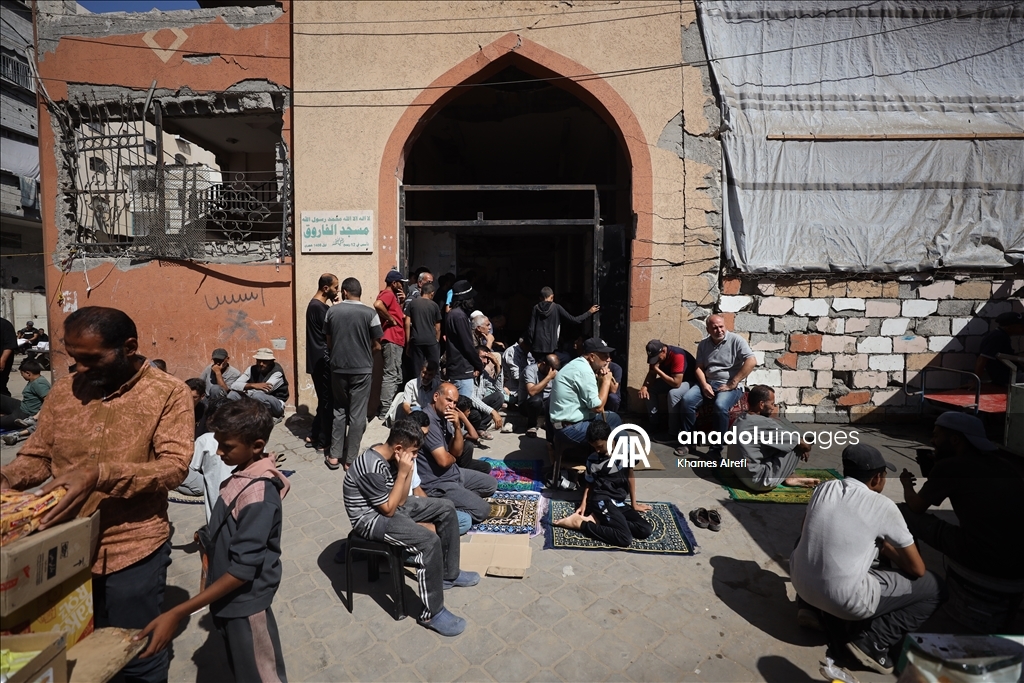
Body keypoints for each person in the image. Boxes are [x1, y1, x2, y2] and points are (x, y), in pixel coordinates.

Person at [0, 306, 193, 683]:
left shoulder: (169, 393)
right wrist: (8, 476)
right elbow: (37, 458)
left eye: (91, 358)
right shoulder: (63, 391)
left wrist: (100, 474)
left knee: (136, 652)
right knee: (73, 652)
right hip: (62, 548)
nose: (80, 369)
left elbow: (174, 468)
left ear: (130, 347)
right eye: (74, 358)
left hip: (133, 548)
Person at [136, 399, 290, 680]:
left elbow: (243, 570)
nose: (218, 452)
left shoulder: (259, 497)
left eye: (226, 446)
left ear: (256, 446)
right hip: (227, 599)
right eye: (218, 443)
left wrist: (179, 612)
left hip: (246, 604)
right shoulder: (241, 474)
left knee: (259, 673)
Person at [790, 445, 942, 675]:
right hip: (845, 600)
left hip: (800, 582)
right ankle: (874, 641)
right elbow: (917, 569)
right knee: (934, 587)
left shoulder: (824, 488)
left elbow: (806, 530)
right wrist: (887, 548)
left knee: (806, 541)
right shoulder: (883, 505)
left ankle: (809, 607)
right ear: (877, 478)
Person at [344, 420, 477, 636]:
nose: (415, 456)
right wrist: (403, 472)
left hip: (391, 505)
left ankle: (449, 575)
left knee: (446, 508)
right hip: (370, 520)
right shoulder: (371, 466)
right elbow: (387, 510)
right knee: (428, 541)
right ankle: (431, 613)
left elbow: (403, 500)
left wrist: (407, 469)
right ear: (399, 448)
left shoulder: (392, 455)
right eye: (414, 452)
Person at [899, 411, 1024, 580]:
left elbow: (916, 506)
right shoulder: (1004, 465)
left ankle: (913, 573)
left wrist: (907, 484)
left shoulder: (950, 467)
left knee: (901, 512)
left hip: (982, 555)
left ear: (955, 440)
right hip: (1016, 560)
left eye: (936, 436)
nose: (932, 441)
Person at [552, 420, 653, 547]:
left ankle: (600, 520)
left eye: (599, 446)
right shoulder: (593, 460)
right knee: (624, 538)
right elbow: (589, 483)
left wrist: (634, 504)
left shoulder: (626, 450)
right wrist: (584, 503)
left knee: (645, 529)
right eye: (594, 447)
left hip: (619, 501)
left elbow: (630, 475)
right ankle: (580, 523)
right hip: (602, 500)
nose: (597, 450)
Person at [416, 382, 498, 523]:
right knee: (483, 509)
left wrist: (457, 426)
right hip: (437, 483)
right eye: (449, 400)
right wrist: (453, 457)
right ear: (436, 396)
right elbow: (444, 461)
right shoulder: (427, 420)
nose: (452, 406)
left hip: (453, 473)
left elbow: (457, 452)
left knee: (491, 484)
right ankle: (443, 504)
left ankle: (461, 496)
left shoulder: (445, 417)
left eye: (454, 403)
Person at [678, 315, 757, 457]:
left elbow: (751, 361)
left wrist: (733, 383)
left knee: (720, 406)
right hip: (708, 382)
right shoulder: (703, 344)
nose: (719, 330)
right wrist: (703, 385)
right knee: (687, 401)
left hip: (729, 384)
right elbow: (698, 367)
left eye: (721, 326)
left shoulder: (736, 340)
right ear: (708, 329)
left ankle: (716, 449)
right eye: (714, 327)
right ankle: (689, 442)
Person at [325, 277, 382, 469]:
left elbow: (329, 341)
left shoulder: (332, 312)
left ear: (344, 292)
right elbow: (377, 343)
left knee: (339, 410)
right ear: (359, 292)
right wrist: (366, 355)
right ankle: (350, 460)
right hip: (362, 369)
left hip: (338, 368)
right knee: (358, 414)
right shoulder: (370, 313)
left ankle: (333, 456)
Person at [728, 385, 820, 490]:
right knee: (796, 445)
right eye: (771, 403)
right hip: (759, 480)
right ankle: (788, 476)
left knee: (782, 442)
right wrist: (803, 446)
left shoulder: (740, 418)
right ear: (761, 405)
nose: (773, 407)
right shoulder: (765, 423)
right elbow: (805, 446)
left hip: (737, 472)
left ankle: (786, 473)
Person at [548, 338, 623, 446]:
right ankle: (622, 458)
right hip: (570, 428)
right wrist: (606, 382)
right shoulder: (584, 371)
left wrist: (600, 380)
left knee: (614, 418)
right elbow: (597, 408)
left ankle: (609, 455)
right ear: (592, 357)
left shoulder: (581, 365)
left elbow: (595, 396)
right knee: (617, 432)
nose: (608, 359)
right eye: (604, 356)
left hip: (576, 419)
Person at [306, 273, 339, 453]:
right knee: (328, 402)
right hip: (324, 360)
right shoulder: (320, 308)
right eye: (335, 287)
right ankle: (323, 442)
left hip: (317, 359)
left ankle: (314, 433)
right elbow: (331, 335)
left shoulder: (315, 306)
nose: (337, 291)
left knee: (323, 399)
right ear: (326, 288)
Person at [640, 339, 696, 436]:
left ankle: (673, 432)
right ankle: (654, 423)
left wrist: (657, 370)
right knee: (650, 389)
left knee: (673, 394)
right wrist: (644, 386)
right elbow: (652, 374)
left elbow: (676, 383)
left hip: (690, 382)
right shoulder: (656, 356)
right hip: (672, 379)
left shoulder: (677, 355)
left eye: (657, 358)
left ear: (663, 351)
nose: (655, 361)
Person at [374, 270, 408, 420]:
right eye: (400, 283)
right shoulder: (387, 294)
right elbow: (378, 304)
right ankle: (385, 411)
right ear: (394, 283)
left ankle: (390, 407)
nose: (401, 286)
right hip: (392, 339)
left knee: (396, 375)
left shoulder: (392, 297)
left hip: (395, 340)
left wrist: (401, 303)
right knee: (391, 375)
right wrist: (391, 320)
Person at [526, 286, 600, 355]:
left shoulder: (535, 308)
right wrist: (589, 312)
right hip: (551, 348)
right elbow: (574, 320)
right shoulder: (556, 307)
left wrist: (531, 344)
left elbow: (531, 329)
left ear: (540, 298)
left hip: (537, 348)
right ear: (552, 297)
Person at [444, 280, 485, 398]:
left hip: (457, 368)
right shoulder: (459, 316)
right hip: (462, 370)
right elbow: (467, 345)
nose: (473, 301)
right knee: (463, 407)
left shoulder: (453, 314)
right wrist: (478, 364)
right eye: (470, 298)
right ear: (465, 300)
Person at [228, 348, 289, 419]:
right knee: (232, 395)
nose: (261, 364)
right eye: (259, 361)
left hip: (275, 404)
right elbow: (234, 385)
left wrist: (244, 388)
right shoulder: (251, 369)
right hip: (253, 400)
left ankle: (268, 417)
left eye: (265, 362)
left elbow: (264, 391)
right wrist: (252, 385)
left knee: (258, 396)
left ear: (271, 362)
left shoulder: (277, 373)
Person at [973, 311, 1023, 386]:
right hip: (1008, 377)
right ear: (1009, 328)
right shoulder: (997, 337)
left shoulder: (1002, 335)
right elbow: (982, 359)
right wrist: (976, 382)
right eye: (1021, 326)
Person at [385, 359, 441, 426]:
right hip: (415, 414)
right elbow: (406, 405)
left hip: (431, 416)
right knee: (416, 410)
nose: (426, 377)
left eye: (430, 375)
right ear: (421, 370)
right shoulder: (411, 384)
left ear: (434, 375)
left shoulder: (438, 386)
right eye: (424, 373)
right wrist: (413, 417)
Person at [404, 281, 441, 379]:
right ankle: (434, 389)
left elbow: (407, 323)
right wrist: (437, 340)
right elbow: (438, 327)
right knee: (434, 368)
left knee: (417, 369)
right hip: (431, 340)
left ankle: (418, 390)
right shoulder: (434, 305)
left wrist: (408, 342)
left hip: (416, 340)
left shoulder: (412, 303)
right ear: (432, 293)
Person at [0, 359, 50, 431]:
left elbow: (48, 400)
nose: (22, 376)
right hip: (22, 405)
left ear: (28, 373)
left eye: (22, 374)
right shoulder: (35, 379)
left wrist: (36, 417)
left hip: (25, 414)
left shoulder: (39, 384)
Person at [523, 353, 560, 437]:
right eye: (551, 369)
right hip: (529, 405)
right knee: (536, 400)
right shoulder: (530, 370)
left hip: (546, 404)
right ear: (543, 364)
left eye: (555, 369)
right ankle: (531, 426)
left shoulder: (555, 372)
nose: (553, 371)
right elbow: (532, 392)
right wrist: (548, 378)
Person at [502, 337, 533, 408]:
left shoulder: (527, 353)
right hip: (514, 390)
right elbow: (516, 375)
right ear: (524, 344)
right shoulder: (512, 351)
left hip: (524, 388)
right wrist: (531, 383)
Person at [0, 317, 16, 397]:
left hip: (1, 360)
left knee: (1, 386)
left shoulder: (5, 324)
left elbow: (9, 345)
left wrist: (2, 360)